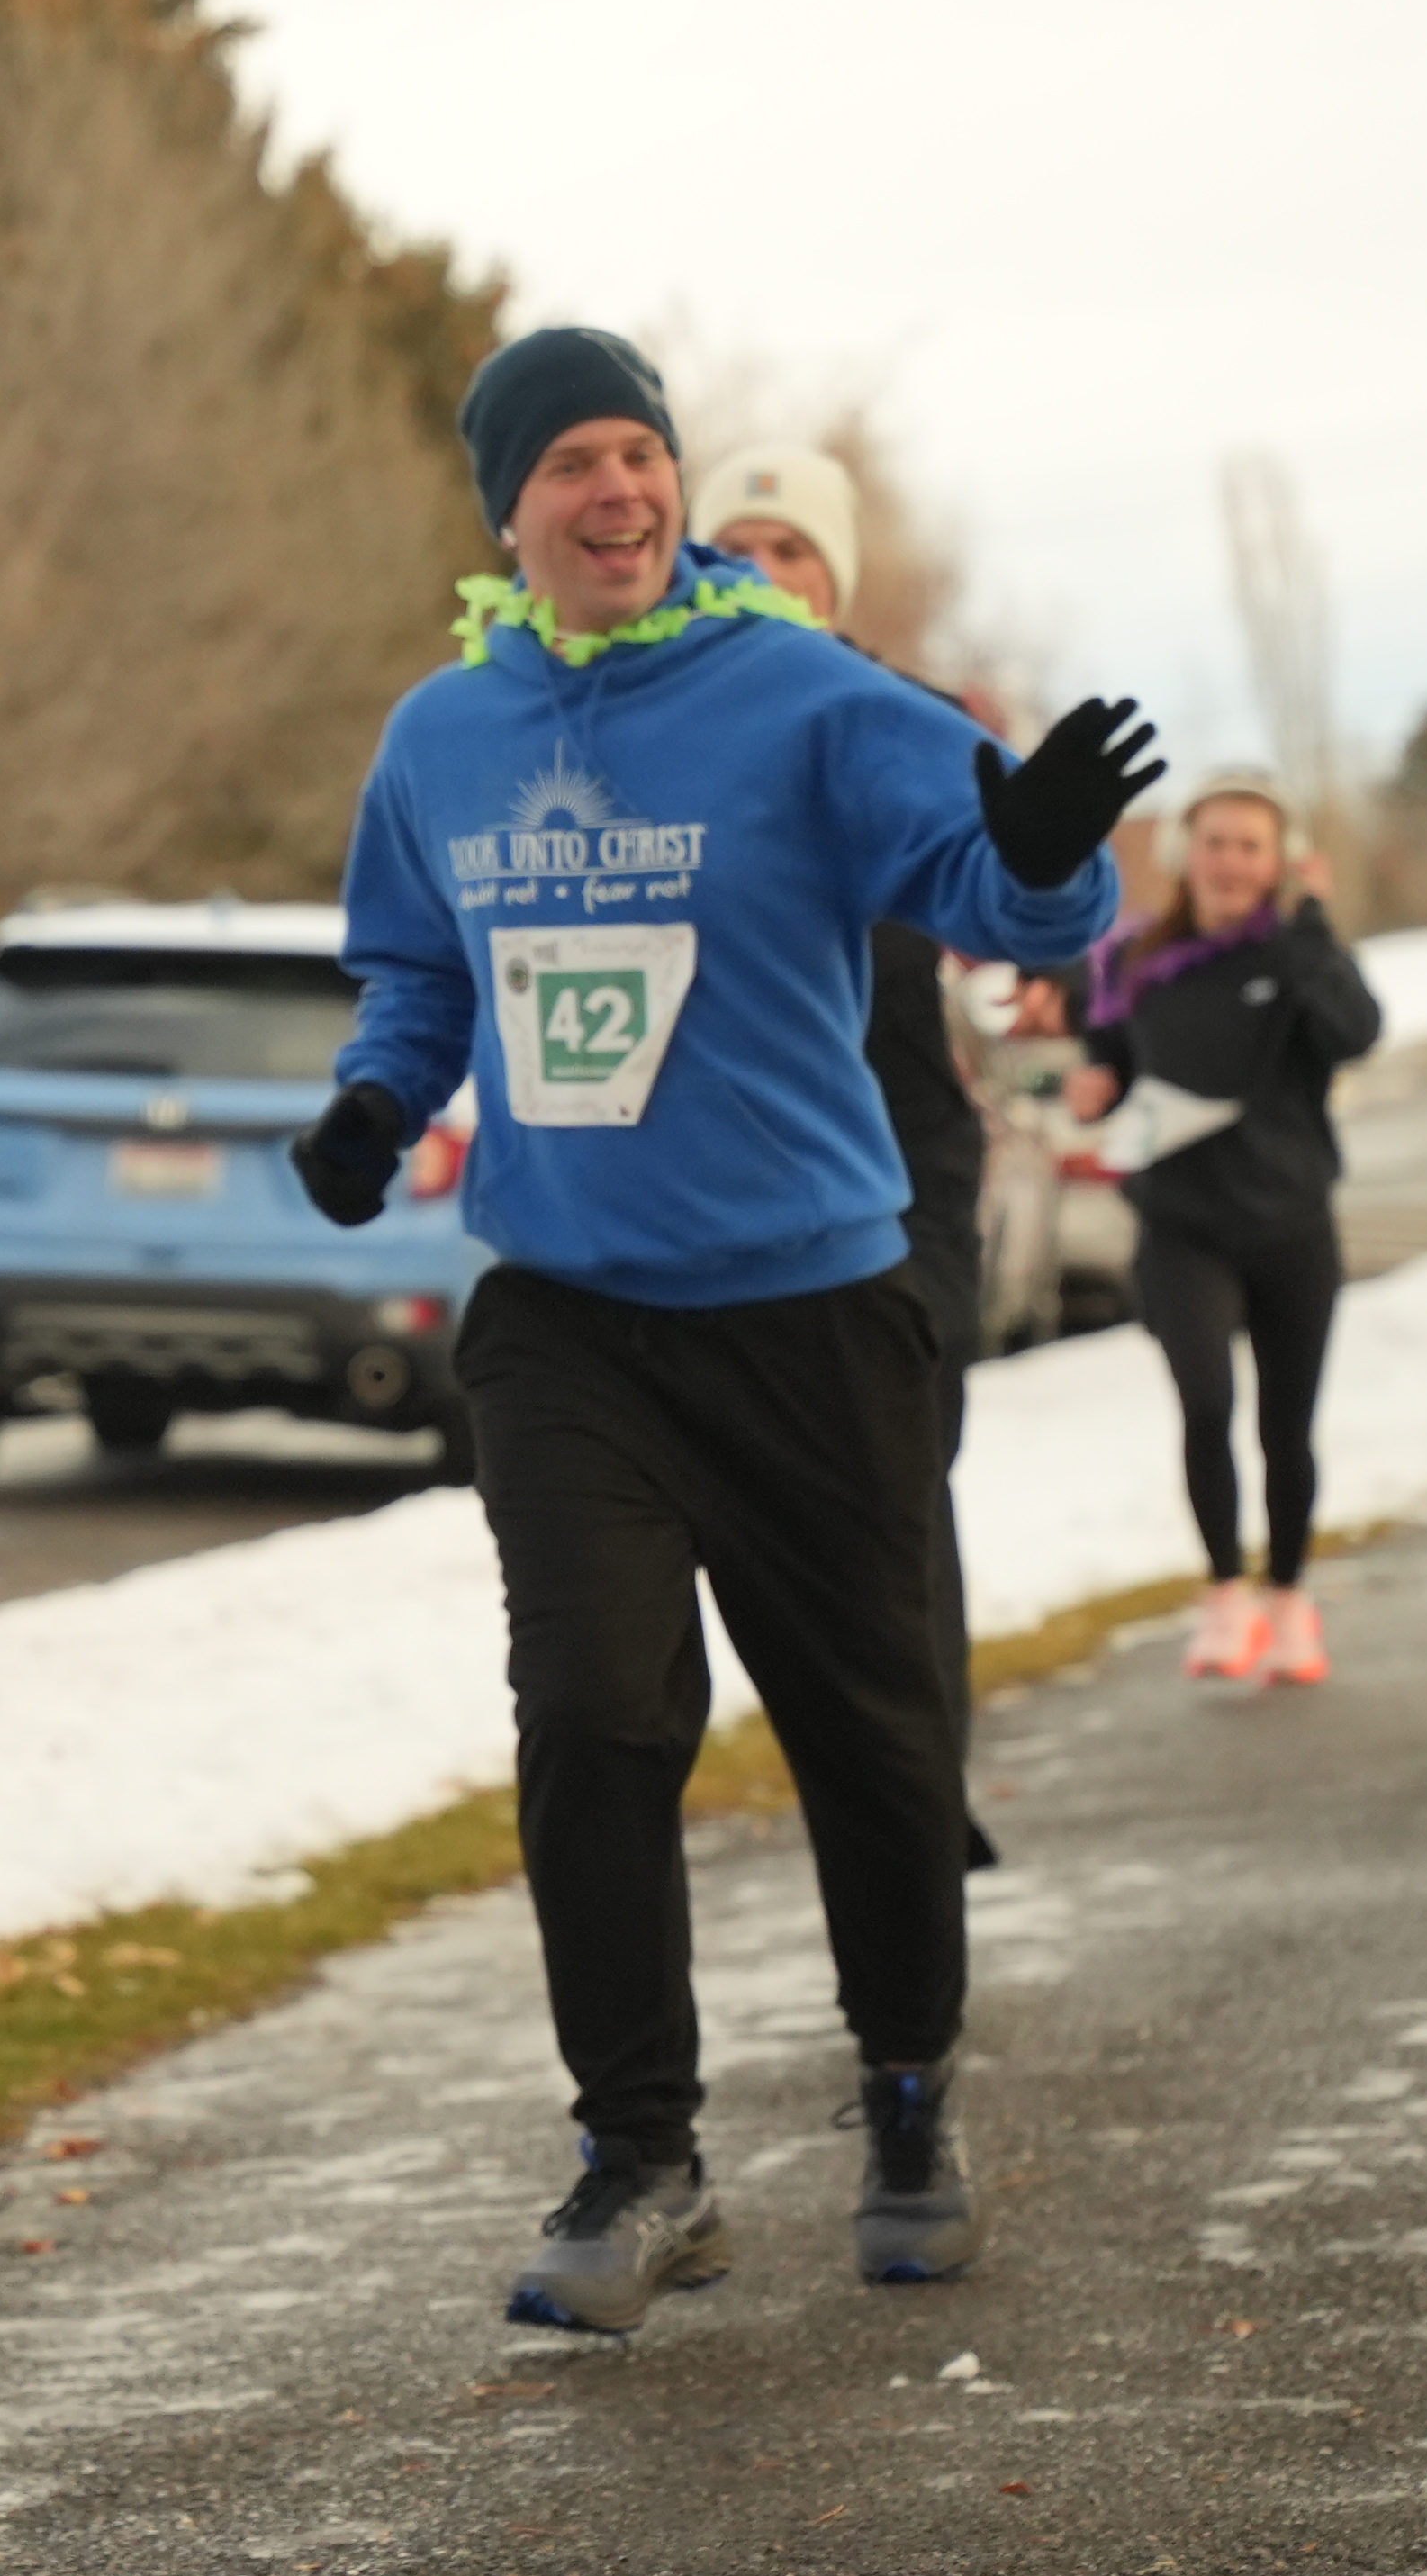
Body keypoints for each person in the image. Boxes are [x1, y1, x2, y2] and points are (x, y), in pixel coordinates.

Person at [294, 329, 1148, 2324]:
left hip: (812, 1305)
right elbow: (418, 977)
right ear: (508, 511)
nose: (618, 492)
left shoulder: (800, 688)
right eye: (572, 464)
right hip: (571, 1313)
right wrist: (369, 1104)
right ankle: (640, 2155)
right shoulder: (443, 738)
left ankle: (912, 2094)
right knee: (596, 1714)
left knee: (870, 1733)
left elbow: (1008, 896)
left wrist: (1038, 855)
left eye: (639, 456)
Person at [697, 439, 1003, 1871]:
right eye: (739, 546)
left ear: (834, 583)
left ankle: (920, 1794)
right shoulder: (658, 730)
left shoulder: (904, 721)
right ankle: (885, 1788)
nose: (763, 573)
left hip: (904, 1166)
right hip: (744, 1176)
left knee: (901, 1476)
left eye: (793, 553)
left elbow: (1026, 884)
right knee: (805, 1523)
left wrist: (1045, 960)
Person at [1070, 773, 1386, 1674]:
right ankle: (1224, 1592)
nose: (1231, 861)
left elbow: (1357, 1032)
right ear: (1184, 851)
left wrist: (1315, 926)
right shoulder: (1134, 959)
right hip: (1181, 1223)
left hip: (1290, 1220)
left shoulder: (1295, 953)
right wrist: (1096, 1088)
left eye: (1252, 845)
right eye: (1216, 841)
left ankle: (1288, 1599)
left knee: (1287, 1427)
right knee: (1206, 1404)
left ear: (1277, 860)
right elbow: (1109, 1062)